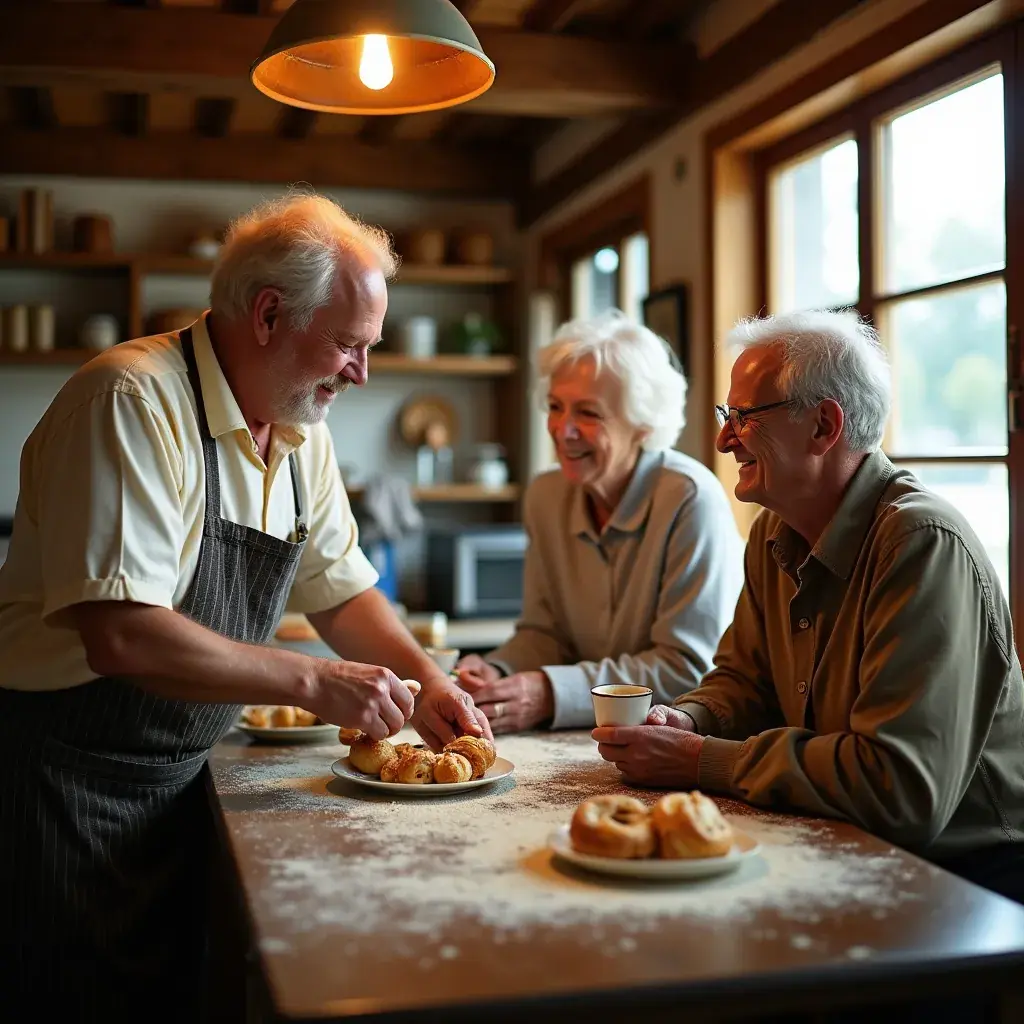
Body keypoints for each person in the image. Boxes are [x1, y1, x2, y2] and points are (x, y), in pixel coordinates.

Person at [0, 191, 489, 1017]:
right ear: (268, 314)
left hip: (182, 777)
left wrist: (428, 678)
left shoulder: (302, 435)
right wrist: (311, 683)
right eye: (348, 345)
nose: (362, 374)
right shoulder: (132, 401)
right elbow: (121, 636)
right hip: (62, 778)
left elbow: (342, 590)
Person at [594, 309, 1024, 903]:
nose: (723, 439)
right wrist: (689, 719)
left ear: (823, 426)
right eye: (728, 416)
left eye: (742, 417)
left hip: (966, 879)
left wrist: (702, 761)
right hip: (842, 843)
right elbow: (744, 682)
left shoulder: (920, 544)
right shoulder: (774, 531)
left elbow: (898, 790)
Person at [456, 309, 744, 733]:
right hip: (587, 737)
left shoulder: (689, 498)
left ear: (643, 426)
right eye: (555, 407)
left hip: (674, 742)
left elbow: (688, 668)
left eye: (588, 414)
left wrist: (551, 693)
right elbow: (545, 633)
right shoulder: (546, 496)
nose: (563, 430)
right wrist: (498, 669)